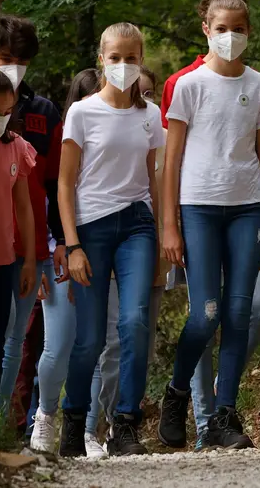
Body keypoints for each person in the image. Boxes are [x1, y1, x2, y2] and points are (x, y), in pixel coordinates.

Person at [157, 0, 260, 450]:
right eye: (222, 28)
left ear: (249, 31)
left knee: (238, 312)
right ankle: (176, 393)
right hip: (198, 208)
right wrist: (169, 225)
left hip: (248, 208)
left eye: (239, 28)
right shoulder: (189, 86)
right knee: (205, 314)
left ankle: (223, 416)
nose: (231, 36)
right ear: (206, 30)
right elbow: (171, 161)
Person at [58, 23, 165, 458]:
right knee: (89, 338)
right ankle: (73, 421)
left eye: (131, 58)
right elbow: (65, 184)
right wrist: (72, 246)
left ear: (141, 60)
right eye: (115, 57)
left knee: (135, 322)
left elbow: (153, 180)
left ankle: (125, 425)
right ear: (101, 59)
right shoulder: (82, 113)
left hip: (138, 224)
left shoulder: (150, 115)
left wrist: (162, 236)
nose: (123, 65)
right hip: (91, 228)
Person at [88, 67, 168, 450]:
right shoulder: (93, 120)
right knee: (113, 341)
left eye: (151, 92)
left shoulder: (159, 131)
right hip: (106, 240)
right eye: (141, 91)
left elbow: (161, 192)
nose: (144, 98)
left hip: (146, 241)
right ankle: (110, 421)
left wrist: (163, 243)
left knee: (139, 336)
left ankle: (125, 420)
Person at [0, 15, 68, 418]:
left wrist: (61, 240)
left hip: (32, 244)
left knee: (16, 341)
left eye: (21, 61)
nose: (14, 68)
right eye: (6, 58)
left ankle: (0, 422)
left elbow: (55, 182)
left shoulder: (44, 112)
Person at [27, 68, 102, 455]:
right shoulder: (63, 143)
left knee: (98, 346)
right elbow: (48, 199)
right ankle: (45, 414)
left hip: (102, 250)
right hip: (59, 253)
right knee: (57, 347)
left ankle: (88, 430)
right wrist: (52, 249)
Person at [0, 70, 37, 403]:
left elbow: (24, 207)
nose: (0, 119)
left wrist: (29, 261)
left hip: (3, 261)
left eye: (7, 112)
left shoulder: (16, 147)